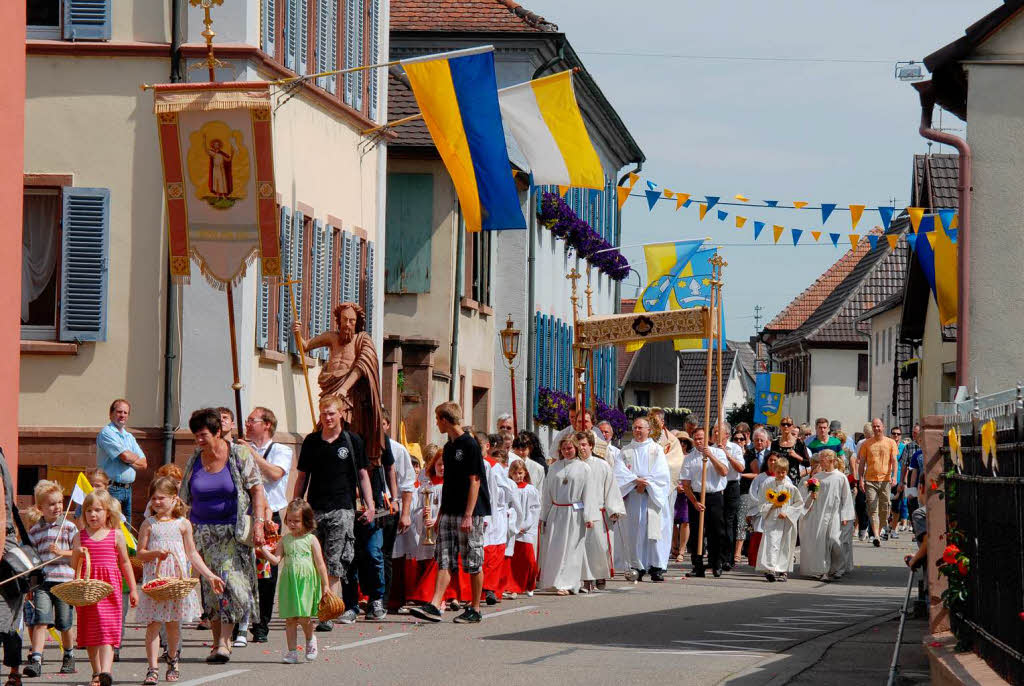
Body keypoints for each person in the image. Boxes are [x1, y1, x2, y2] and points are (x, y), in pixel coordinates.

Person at [179, 408, 268, 664]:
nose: (199, 440)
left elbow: (257, 490)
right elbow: (184, 496)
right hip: (201, 533)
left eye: (204, 434)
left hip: (232, 532)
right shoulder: (195, 458)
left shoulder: (238, 454)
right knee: (210, 589)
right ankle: (219, 643)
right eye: (196, 435)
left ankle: (223, 642)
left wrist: (260, 523)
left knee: (229, 583)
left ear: (218, 432)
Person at [409, 402, 491, 624]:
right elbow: (449, 483)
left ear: (445, 420)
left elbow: (475, 481)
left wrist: (468, 515)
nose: (437, 424)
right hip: (449, 509)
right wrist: (442, 513)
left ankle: (475, 608)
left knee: (472, 560)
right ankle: (435, 605)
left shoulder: (470, 444)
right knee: (444, 557)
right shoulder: (450, 446)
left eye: (437, 419)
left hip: (469, 512)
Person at [136, 477, 224, 684]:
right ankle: (152, 668)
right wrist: (154, 553)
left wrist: (210, 575)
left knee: (173, 624)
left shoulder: (183, 524)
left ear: (174, 499)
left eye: (162, 498)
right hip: (156, 581)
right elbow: (140, 553)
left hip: (177, 581)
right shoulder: (148, 524)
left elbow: (192, 554)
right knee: (153, 624)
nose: (157, 502)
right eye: (154, 498)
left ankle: (173, 660)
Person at [292, 302, 386, 460]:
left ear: (357, 322)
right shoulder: (331, 337)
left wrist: (344, 388)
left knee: (348, 427)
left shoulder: (362, 339)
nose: (348, 324)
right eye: (344, 320)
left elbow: (363, 365)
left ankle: (348, 460)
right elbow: (305, 345)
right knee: (326, 423)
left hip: (350, 394)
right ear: (339, 320)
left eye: (352, 320)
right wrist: (297, 333)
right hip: (330, 390)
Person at [71, 490, 139, 686]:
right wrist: (77, 553)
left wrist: (133, 589)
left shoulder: (116, 535)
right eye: (89, 510)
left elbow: (126, 563)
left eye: (98, 510)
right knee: (91, 633)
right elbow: (74, 567)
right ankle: (96, 672)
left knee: (107, 630)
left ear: (108, 512)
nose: (93, 514)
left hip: (110, 589)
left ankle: (106, 672)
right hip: (88, 590)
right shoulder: (79, 536)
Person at [238, 406, 292, 643]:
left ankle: (261, 625)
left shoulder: (281, 450)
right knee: (240, 569)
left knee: (266, 574)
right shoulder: (240, 448)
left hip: (270, 519)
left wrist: (250, 452)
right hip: (245, 515)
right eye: (247, 421)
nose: (248, 424)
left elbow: (274, 474)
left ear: (267, 424)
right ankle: (239, 622)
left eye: (253, 420)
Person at [259, 499, 331, 664]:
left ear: (306, 520)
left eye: (296, 521)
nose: (292, 524)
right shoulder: (285, 540)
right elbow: (276, 560)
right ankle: (292, 652)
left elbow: (320, 564)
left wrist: (325, 585)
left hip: (306, 583)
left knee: (304, 617)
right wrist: (262, 549)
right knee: (290, 619)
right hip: (289, 583)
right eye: (289, 520)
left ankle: (310, 639)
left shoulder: (311, 539)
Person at [24, 481, 77, 677]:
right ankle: (36, 659)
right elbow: (32, 558)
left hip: (64, 582)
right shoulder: (35, 531)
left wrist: (61, 551)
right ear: (41, 508)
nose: (57, 507)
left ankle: (69, 655)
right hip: (43, 583)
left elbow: (77, 553)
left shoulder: (70, 527)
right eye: (51, 504)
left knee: (64, 622)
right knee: (41, 620)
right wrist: (30, 583)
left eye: (59, 503)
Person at [614, 418, 672, 582]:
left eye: (641, 428)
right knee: (635, 532)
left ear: (648, 430)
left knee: (655, 532)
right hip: (634, 496)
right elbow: (619, 472)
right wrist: (635, 481)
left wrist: (645, 484)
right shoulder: (625, 451)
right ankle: (637, 566)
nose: (638, 430)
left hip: (652, 497)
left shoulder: (657, 450)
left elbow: (662, 474)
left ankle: (657, 567)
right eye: (635, 428)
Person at [537, 436, 595, 595]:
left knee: (571, 549)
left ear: (576, 448)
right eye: (564, 449)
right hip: (556, 512)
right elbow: (547, 493)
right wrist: (544, 515)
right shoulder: (554, 467)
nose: (567, 451)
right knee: (554, 548)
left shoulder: (584, 468)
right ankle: (553, 581)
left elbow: (589, 494)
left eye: (570, 448)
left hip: (575, 513)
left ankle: (568, 583)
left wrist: (589, 516)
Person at [577, 431, 625, 592]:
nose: (581, 448)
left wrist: (614, 509)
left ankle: (600, 575)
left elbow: (610, 487)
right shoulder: (573, 464)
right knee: (582, 547)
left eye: (584, 444)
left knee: (599, 546)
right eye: (579, 445)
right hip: (578, 513)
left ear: (591, 446)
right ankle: (586, 580)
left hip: (599, 512)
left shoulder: (602, 465)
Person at [797, 450, 854, 581]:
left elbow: (846, 497)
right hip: (820, 512)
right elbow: (810, 494)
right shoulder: (818, 477)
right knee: (822, 542)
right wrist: (811, 497)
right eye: (820, 460)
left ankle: (839, 568)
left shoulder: (840, 477)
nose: (821, 462)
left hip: (835, 513)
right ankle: (824, 570)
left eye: (823, 460)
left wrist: (846, 516)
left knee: (834, 539)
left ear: (832, 461)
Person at [680, 427, 729, 578]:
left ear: (707, 439)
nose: (699, 441)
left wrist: (711, 456)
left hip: (714, 495)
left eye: (701, 438)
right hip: (697, 496)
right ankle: (697, 565)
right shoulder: (689, 458)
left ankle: (716, 563)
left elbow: (724, 472)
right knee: (696, 532)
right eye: (696, 438)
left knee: (716, 531)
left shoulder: (718, 452)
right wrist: (694, 501)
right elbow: (686, 484)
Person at [379, 410, 415, 614]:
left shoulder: (398, 450)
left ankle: (389, 599)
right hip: (372, 507)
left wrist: (405, 513)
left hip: (392, 506)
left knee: (390, 555)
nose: (380, 427)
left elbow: (407, 485)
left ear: (388, 425)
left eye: (383, 423)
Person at [751, 456, 804, 582]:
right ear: (774, 470)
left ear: (786, 471)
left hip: (786, 521)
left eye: (783, 472)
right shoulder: (767, 484)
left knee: (784, 544)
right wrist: (771, 506)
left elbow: (799, 503)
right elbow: (761, 502)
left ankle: (783, 570)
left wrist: (787, 512)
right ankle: (770, 569)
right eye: (778, 472)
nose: (781, 475)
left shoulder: (791, 487)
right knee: (771, 544)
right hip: (772, 520)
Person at [96, 399, 147, 525]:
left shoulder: (129, 437)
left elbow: (144, 464)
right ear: (111, 413)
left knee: (126, 530)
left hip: (128, 490)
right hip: (112, 489)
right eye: (119, 412)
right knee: (111, 527)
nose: (122, 415)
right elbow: (125, 456)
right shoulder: (107, 433)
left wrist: (128, 458)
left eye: (125, 412)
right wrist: (129, 457)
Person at [481, 446, 517, 605]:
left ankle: (491, 589)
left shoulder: (507, 481)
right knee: (486, 554)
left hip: (501, 518)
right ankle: (484, 588)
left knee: (497, 555)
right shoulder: (487, 469)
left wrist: (513, 518)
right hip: (487, 516)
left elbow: (513, 501)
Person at [856, 418, 899, 547]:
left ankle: (878, 532)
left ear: (883, 427)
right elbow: (862, 462)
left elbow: (894, 461)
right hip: (870, 480)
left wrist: (894, 476)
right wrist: (861, 479)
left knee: (884, 510)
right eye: (874, 426)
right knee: (872, 508)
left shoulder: (890, 442)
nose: (876, 429)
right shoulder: (866, 444)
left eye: (878, 426)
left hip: (885, 480)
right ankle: (875, 536)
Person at [712, 422, 746, 571]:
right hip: (717, 487)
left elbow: (741, 468)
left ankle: (728, 557)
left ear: (726, 434)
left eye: (718, 431)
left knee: (729, 522)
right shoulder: (710, 449)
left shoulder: (736, 448)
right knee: (716, 522)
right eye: (713, 431)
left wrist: (727, 454)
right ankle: (717, 557)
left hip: (731, 485)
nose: (715, 434)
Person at [505, 460, 540, 598]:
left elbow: (534, 509)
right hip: (512, 529)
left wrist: (524, 525)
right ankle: (513, 586)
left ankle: (530, 584)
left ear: (525, 472)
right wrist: (513, 526)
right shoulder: (509, 488)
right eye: (515, 473)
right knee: (513, 559)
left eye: (520, 473)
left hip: (526, 529)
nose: (518, 476)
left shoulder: (530, 490)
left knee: (528, 558)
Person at [770, 417, 809, 483]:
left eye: (788, 424)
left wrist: (796, 456)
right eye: (783, 424)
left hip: (793, 478)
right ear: (780, 426)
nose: (786, 426)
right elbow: (771, 460)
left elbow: (807, 463)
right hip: (778, 476)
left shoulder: (799, 443)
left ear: (792, 427)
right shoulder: (775, 443)